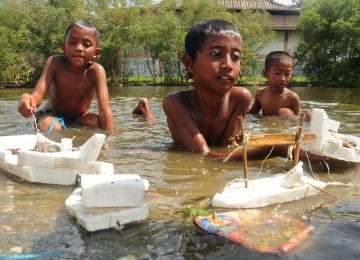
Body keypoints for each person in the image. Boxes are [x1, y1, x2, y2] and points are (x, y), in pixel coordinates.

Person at [163, 19, 321, 161]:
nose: (228, 65)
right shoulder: (175, 102)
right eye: (217, 54)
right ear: (189, 63)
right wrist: (274, 148)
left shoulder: (241, 98)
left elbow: (227, 148)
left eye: (235, 57)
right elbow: (204, 157)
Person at [18, 20, 114, 131]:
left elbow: (105, 110)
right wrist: (27, 100)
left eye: (86, 45)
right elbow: (36, 97)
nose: (78, 48)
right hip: (52, 114)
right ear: (63, 47)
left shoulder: (97, 71)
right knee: (51, 126)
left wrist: (110, 138)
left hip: (79, 117)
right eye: (72, 42)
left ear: (96, 53)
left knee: (96, 123)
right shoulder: (54, 63)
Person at [248, 51, 301, 116]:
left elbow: (299, 118)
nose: (283, 79)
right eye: (277, 73)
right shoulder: (260, 93)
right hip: (265, 125)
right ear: (266, 74)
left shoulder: (292, 97)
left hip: (285, 125)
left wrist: (307, 118)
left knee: (284, 111)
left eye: (287, 74)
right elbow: (254, 112)